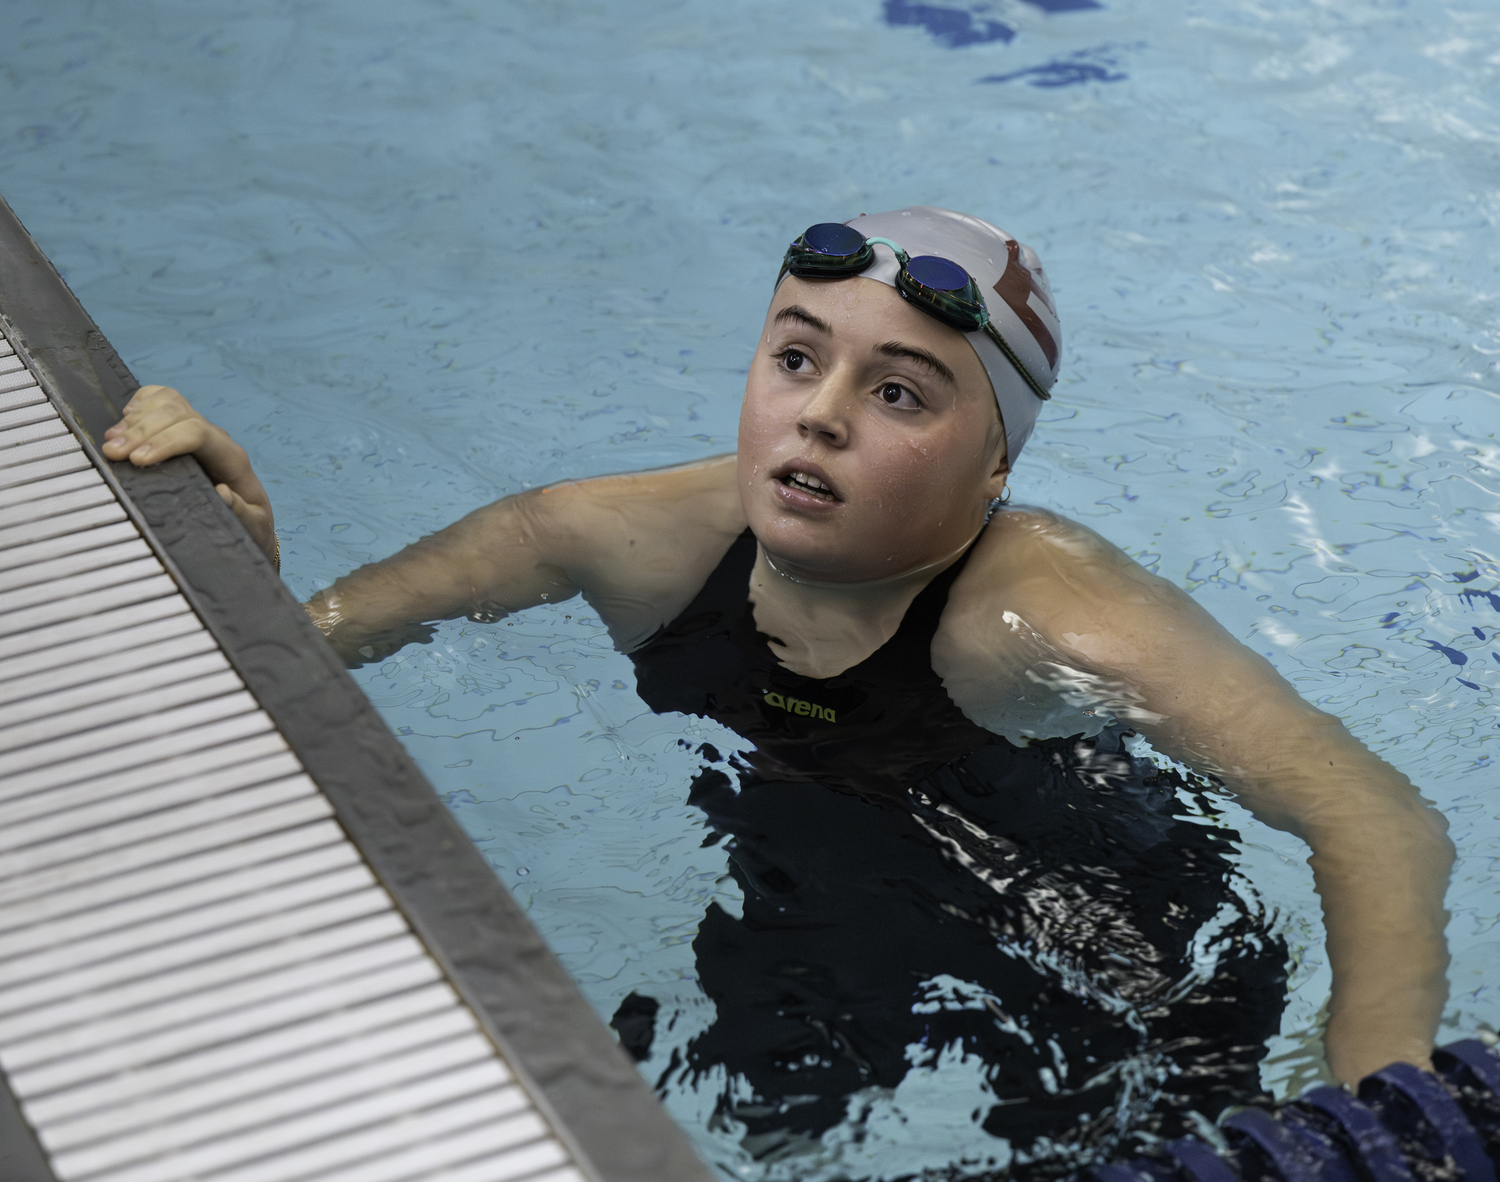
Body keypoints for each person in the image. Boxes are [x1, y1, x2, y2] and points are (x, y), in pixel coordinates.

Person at [105, 207, 1453, 1155]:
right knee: (756, 1123)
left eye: (902, 393)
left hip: (1091, 919)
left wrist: (1379, 1090)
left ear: (996, 471)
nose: (818, 412)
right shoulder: (607, 537)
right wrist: (237, 559)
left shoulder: (1038, 606)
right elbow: (313, 646)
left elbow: (1374, 816)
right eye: (797, 355)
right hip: (809, 856)